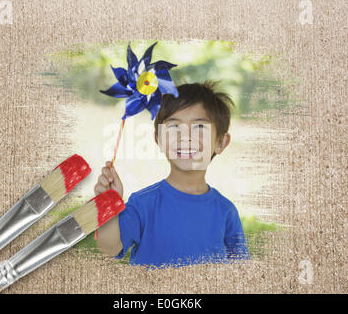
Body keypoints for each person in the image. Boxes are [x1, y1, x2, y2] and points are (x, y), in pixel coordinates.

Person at [95, 81, 250, 268]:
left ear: (221, 142)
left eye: (200, 127)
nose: (185, 137)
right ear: (158, 139)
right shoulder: (143, 204)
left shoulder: (226, 211)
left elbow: (240, 272)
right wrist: (108, 203)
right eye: (174, 127)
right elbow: (109, 248)